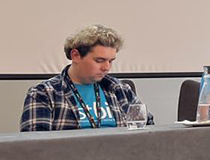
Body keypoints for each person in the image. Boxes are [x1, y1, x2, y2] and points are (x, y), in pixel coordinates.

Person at [20, 24, 154, 131]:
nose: (106, 67)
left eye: (111, 61)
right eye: (99, 60)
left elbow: (149, 129)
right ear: (76, 56)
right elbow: (34, 148)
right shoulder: (45, 94)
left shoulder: (119, 89)